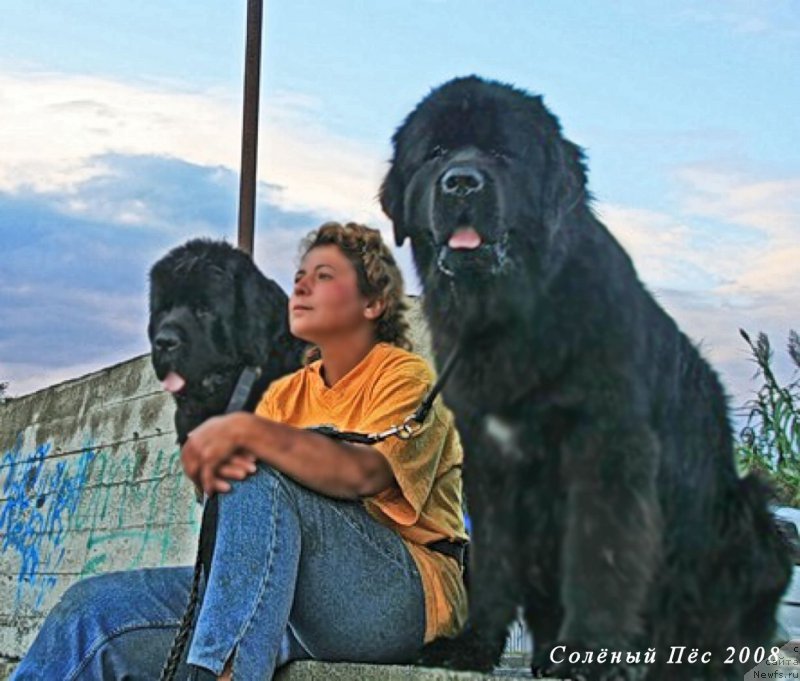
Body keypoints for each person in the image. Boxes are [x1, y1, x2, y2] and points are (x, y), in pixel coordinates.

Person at [11, 221, 469, 680]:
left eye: (324, 275)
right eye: (300, 277)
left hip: (399, 597)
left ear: (373, 303)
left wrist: (250, 435)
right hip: (282, 595)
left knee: (256, 473)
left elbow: (363, 475)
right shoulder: (286, 394)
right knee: (92, 613)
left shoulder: (402, 377)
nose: (302, 285)